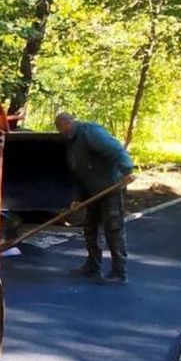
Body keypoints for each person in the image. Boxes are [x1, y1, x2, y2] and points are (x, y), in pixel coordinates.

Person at [55, 113, 135, 285]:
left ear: (70, 122)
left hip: (110, 188)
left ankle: (119, 272)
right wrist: (77, 198)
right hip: (91, 193)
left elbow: (116, 150)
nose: (62, 131)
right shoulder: (70, 144)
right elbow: (77, 175)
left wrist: (127, 170)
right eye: (59, 129)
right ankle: (93, 265)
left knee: (113, 230)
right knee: (90, 229)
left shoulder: (90, 133)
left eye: (63, 126)